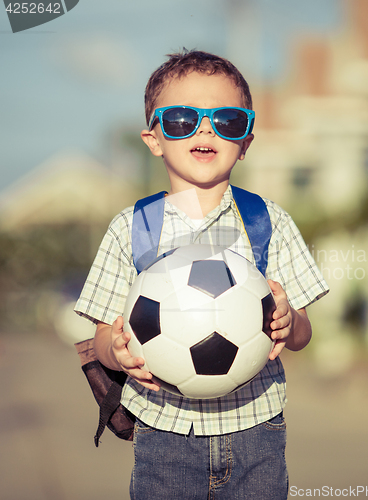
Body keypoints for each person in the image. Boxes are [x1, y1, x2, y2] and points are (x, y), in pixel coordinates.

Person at [75, 49, 329, 500]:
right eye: (180, 119)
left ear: (246, 139)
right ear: (153, 138)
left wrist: (291, 324)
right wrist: (116, 352)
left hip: (257, 429)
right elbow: (99, 336)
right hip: (164, 434)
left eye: (227, 120)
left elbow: (304, 332)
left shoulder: (267, 221)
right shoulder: (133, 227)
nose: (205, 129)